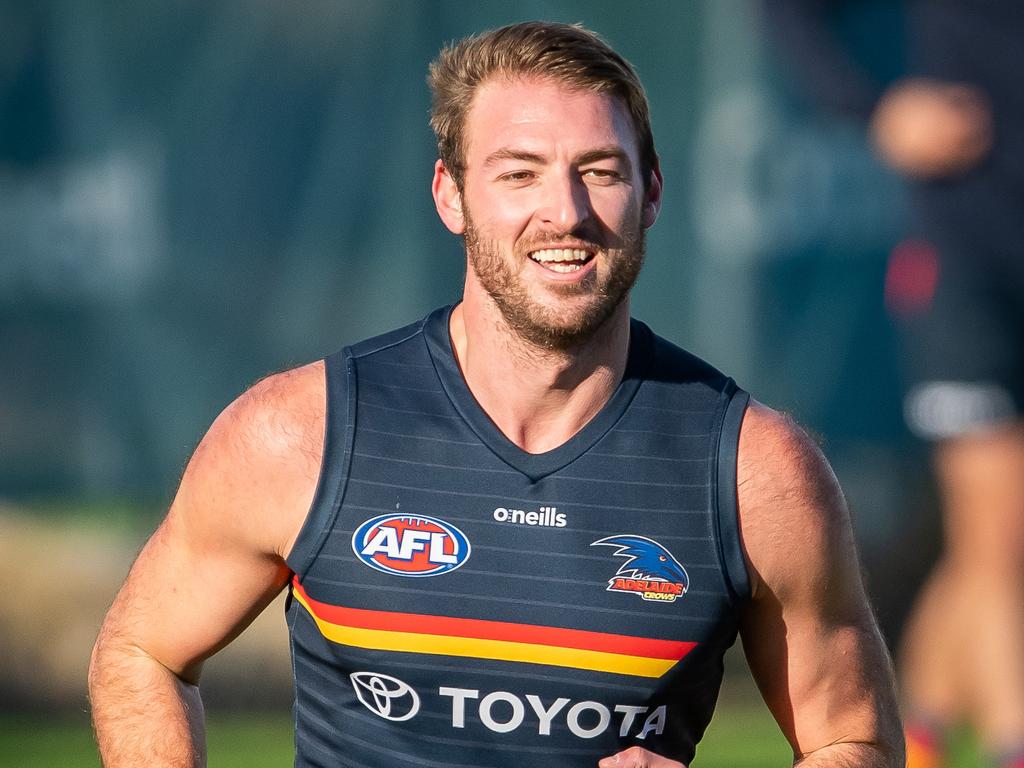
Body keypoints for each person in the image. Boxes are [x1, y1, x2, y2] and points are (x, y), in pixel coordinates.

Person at [88, 20, 902, 768]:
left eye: (600, 171)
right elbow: (141, 653)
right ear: (451, 195)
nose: (565, 211)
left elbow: (855, 739)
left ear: (651, 192)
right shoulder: (298, 435)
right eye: (520, 173)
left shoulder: (758, 475)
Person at [762, 4, 1024, 767]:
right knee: (999, 538)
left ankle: (924, 732)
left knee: (992, 541)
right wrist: (874, 107)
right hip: (966, 255)